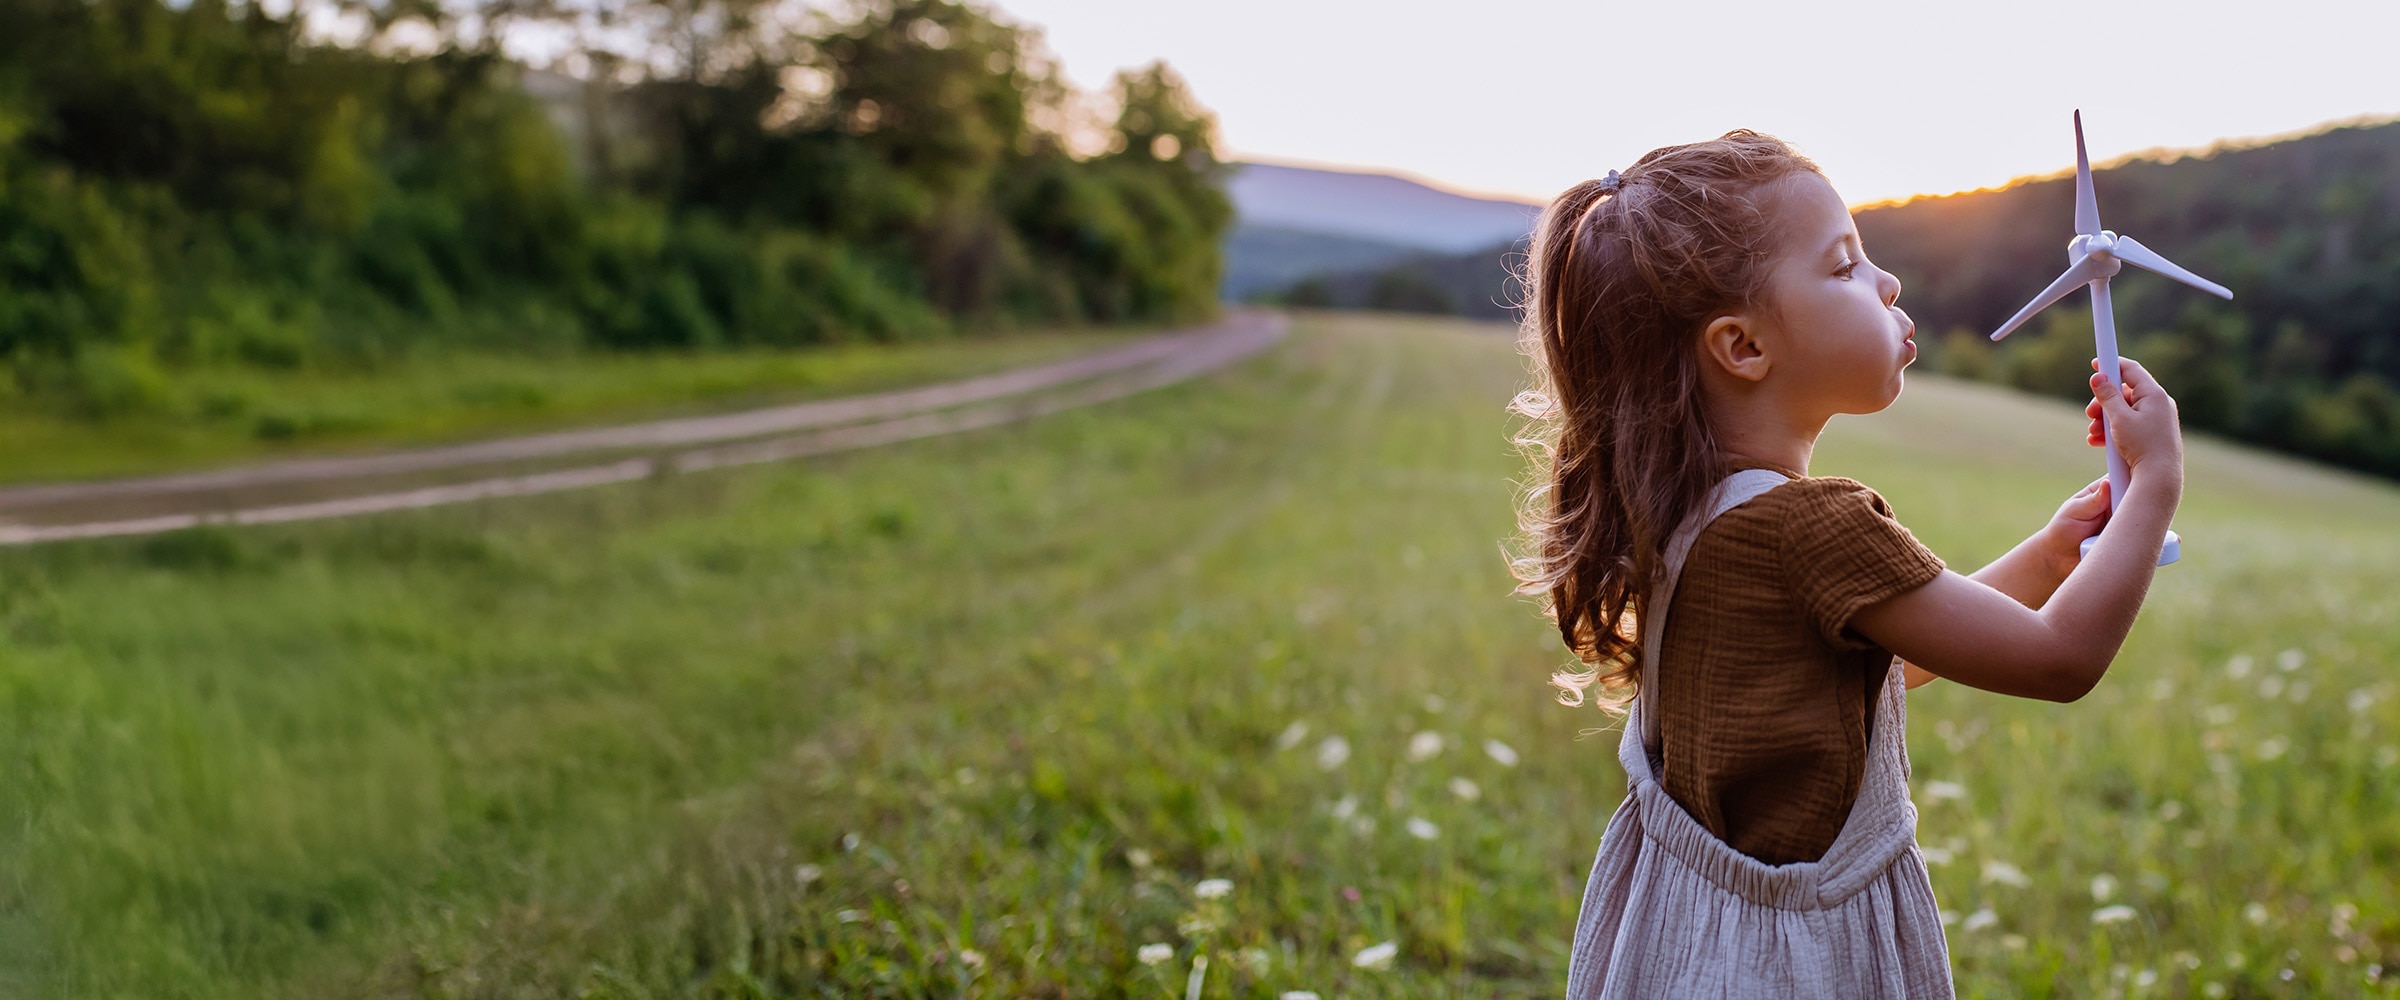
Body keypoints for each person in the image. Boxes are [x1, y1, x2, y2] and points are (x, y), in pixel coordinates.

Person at [1508, 131, 2183, 998]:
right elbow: (2057, 660)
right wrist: (2156, 481)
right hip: (1793, 963)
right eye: (1843, 266)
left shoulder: (1688, 512)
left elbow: (1882, 667)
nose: (1887, 282)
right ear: (1743, 347)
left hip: (1687, 939)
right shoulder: (1813, 525)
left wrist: (2057, 553)